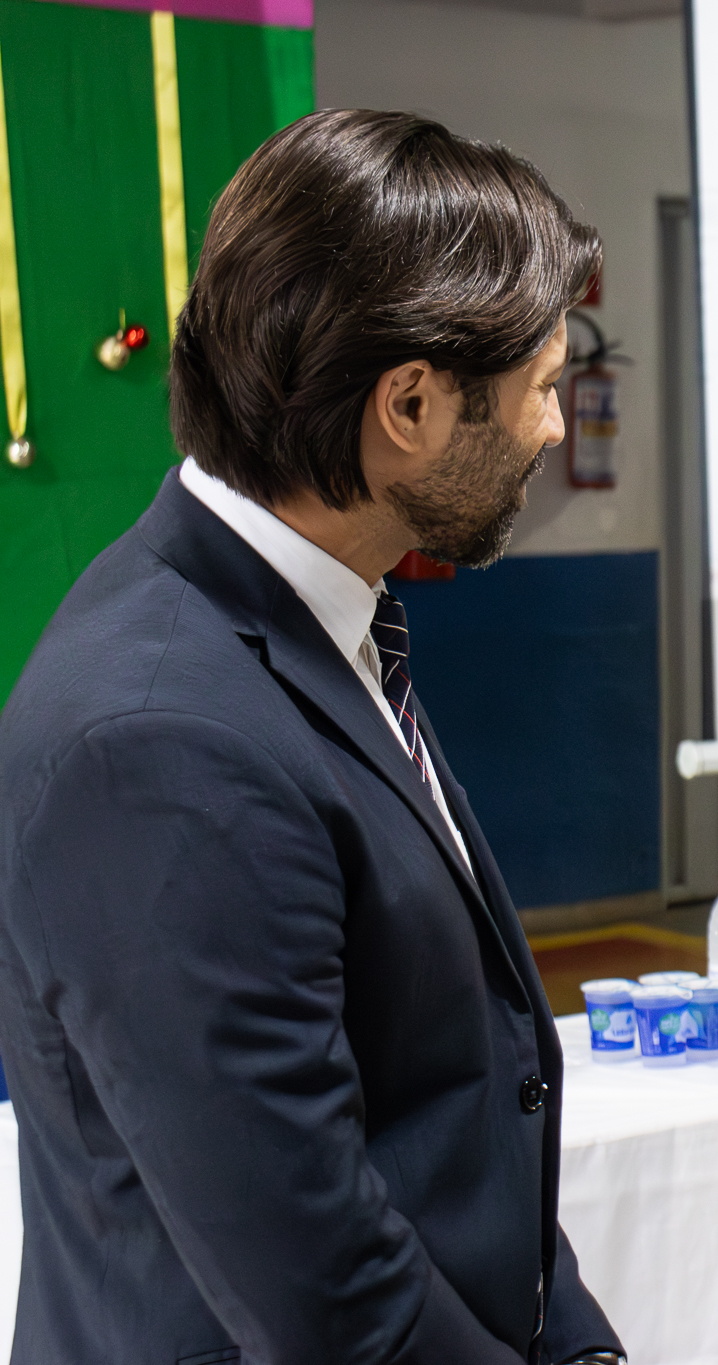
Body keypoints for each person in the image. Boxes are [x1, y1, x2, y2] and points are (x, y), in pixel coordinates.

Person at [0, 110, 626, 1363]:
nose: (556, 430)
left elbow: (449, 1109)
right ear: (409, 405)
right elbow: (320, 1281)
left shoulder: (312, 619)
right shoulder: (160, 739)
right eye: (542, 390)